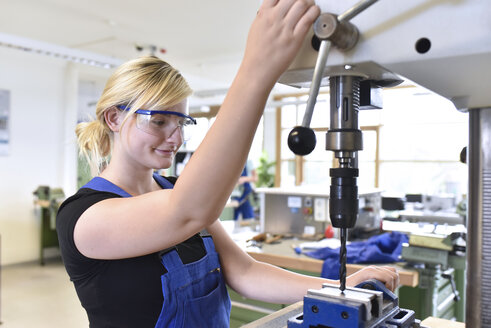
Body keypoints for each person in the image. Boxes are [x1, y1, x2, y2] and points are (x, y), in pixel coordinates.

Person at [56, 1, 399, 327]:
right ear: (115, 118)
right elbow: (186, 212)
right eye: (160, 121)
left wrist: (340, 288)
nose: (175, 140)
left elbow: (245, 272)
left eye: (181, 124)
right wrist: (257, 69)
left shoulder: (173, 189)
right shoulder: (85, 217)